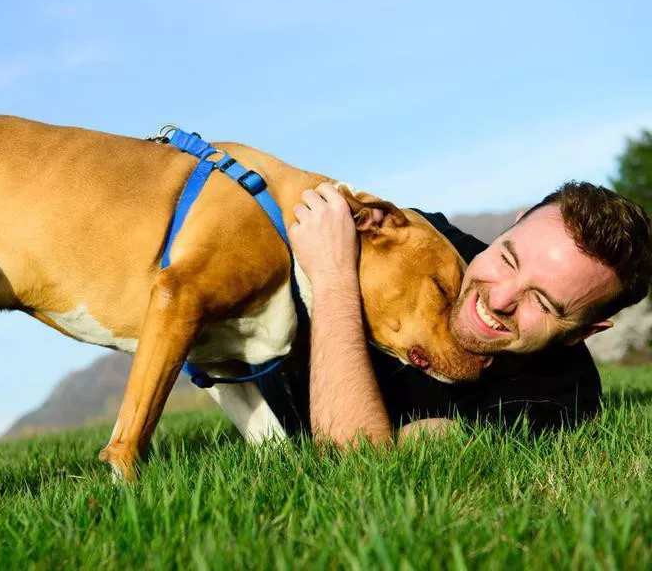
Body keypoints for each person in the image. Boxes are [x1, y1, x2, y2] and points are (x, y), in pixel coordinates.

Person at [255, 181, 652, 445]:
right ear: (511, 228)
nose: (499, 299)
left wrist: (334, 279)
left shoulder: (557, 404)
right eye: (508, 259)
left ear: (581, 333)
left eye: (543, 303)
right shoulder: (427, 243)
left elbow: (358, 459)